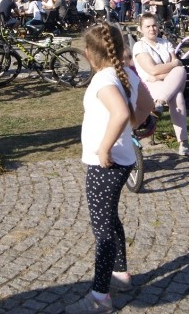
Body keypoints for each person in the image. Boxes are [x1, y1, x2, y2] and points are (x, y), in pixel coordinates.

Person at [66, 22, 153, 314]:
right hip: (122, 160)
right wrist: (134, 126)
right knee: (110, 218)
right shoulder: (125, 72)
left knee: (102, 229)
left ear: (90, 54)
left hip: (106, 163)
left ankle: (100, 296)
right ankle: (121, 274)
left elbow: (119, 112)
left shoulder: (104, 80)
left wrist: (104, 148)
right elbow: (147, 103)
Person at [132, 13, 189, 156]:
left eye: (154, 25)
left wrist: (161, 74)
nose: (152, 29)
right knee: (177, 97)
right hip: (151, 86)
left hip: (169, 82)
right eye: (148, 26)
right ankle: (183, 142)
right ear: (140, 29)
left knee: (180, 69)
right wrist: (172, 66)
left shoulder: (165, 43)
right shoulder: (139, 46)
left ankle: (160, 102)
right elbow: (151, 70)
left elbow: (176, 66)